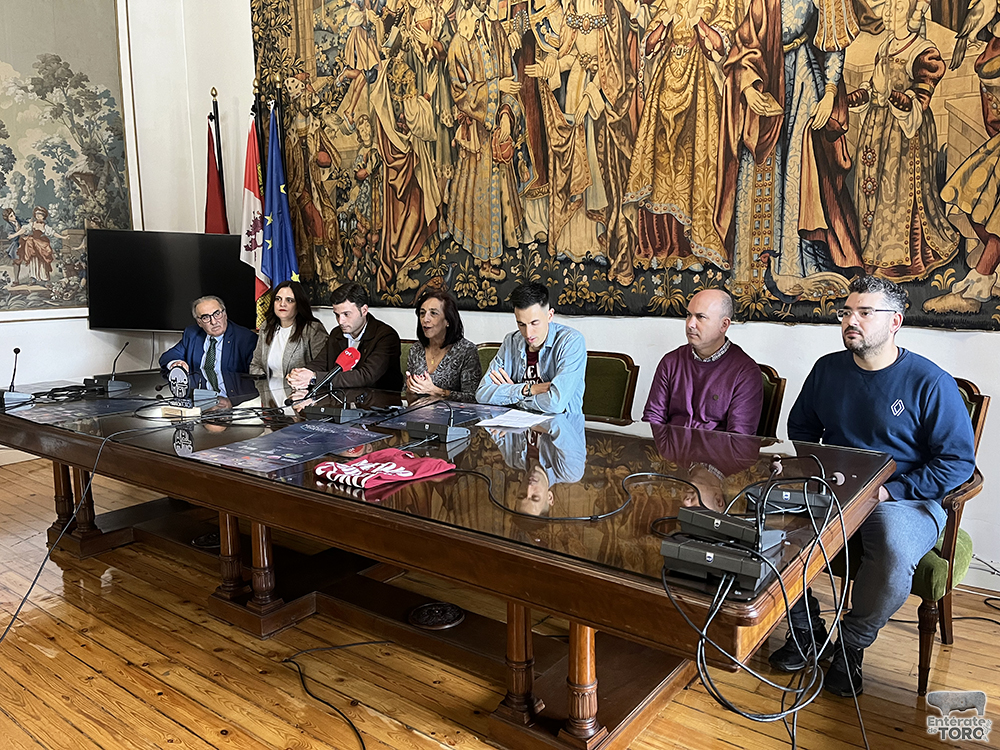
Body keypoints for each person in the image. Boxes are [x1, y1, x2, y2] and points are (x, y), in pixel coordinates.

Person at [772, 276, 976, 697]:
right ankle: (806, 627)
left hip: (903, 496)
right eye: (846, 311)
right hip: (835, 487)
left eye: (865, 313)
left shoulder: (930, 382)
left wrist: (888, 491)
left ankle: (850, 646)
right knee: (763, 525)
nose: (851, 320)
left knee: (893, 555)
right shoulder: (828, 369)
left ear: (895, 321)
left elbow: (957, 463)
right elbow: (802, 426)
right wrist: (817, 469)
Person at [642, 289, 763, 434]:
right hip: (670, 453)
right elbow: (653, 419)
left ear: (724, 325)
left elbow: (739, 437)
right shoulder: (670, 362)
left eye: (700, 317)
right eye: (688, 315)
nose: (690, 324)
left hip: (716, 455)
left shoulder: (745, 372)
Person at [476, 282, 586, 414]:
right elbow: (482, 394)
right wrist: (528, 389)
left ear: (550, 315)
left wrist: (513, 397)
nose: (528, 333)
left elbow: (555, 404)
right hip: (516, 427)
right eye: (521, 324)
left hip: (560, 428)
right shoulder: (511, 341)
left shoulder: (571, 342)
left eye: (534, 323)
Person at [288, 281, 403, 391]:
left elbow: (366, 376)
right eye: (337, 315)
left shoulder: (386, 336)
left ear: (364, 310)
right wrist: (301, 374)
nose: (340, 321)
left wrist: (314, 377)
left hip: (378, 404)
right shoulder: (337, 333)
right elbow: (320, 363)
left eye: (346, 314)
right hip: (341, 400)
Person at [159, 295, 258, 395]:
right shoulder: (192, 334)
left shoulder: (246, 339)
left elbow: (256, 379)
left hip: (231, 400)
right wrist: (176, 363)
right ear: (199, 322)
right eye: (206, 317)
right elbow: (167, 356)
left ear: (225, 314)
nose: (214, 322)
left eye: (217, 314)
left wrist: (233, 402)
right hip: (200, 398)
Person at [405, 289, 481, 402]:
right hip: (418, 414)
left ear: (448, 320)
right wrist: (411, 390)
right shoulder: (416, 349)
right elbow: (409, 397)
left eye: (433, 313)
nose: (425, 319)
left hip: (452, 416)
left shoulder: (466, 351)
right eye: (422, 313)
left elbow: (473, 398)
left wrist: (437, 392)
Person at [249, 281, 329, 379]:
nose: (282, 304)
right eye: (278, 299)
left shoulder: (312, 329)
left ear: (299, 304)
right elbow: (255, 364)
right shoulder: (266, 327)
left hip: (300, 391)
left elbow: (321, 367)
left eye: (289, 300)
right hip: (269, 392)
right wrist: (265, 382)